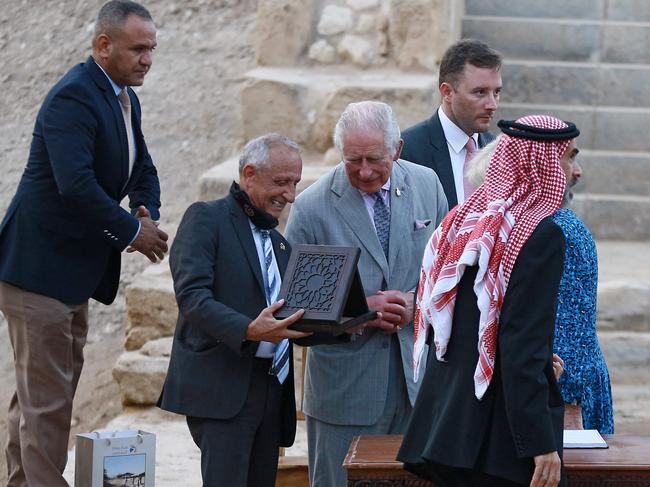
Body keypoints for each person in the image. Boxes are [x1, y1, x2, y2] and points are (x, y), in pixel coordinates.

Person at [0, 2, 167, 485]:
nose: (147, 59)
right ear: (103, 46)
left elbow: (144, 169)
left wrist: (145, 211)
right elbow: (74, 185)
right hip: (38, 273)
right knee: (47, 406)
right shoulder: (73, 97)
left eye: (151, 49)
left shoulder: (122, 97)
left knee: (39, 400)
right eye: (139, 48)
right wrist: (133, 233)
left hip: (70, 274)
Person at [398, 115, 582, 487]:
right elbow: (521, 345)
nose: (575, 171)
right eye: (568, 157)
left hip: (449, 431)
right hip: (497, 443)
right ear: (540, 161)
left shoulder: (463, 219)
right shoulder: (539, 235)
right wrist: (540, 443)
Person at [157, 134, 347, 487]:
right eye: (280, 182)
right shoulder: (206, 219)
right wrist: (248, 329)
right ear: (248, 174)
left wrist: (357, 321)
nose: (289, 195)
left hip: (271, 392)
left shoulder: (279, 241)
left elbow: (299, 320)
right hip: (223, 389)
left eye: (294, 183)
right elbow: (193, 299)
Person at [284, 100, 448, 487]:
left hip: (418, 384)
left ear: (398, 150)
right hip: (346, 391)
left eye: (375, 159)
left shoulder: (428, 185)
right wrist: (363, 309)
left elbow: (449, 272)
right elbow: (293, 308)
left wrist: (417, 304)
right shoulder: (311, 208)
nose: (364, 171)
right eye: (352, 160)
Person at [467, 132, 614, 433]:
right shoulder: (529, 226)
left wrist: (569, 406)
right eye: (569, 159)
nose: (577, 171)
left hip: (552, 395)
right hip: (529, 392)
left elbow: (575, 329)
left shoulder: (562, 230)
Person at [400, 38, 502, 208]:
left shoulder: (498, 150)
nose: (492, 104)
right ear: (447, 92)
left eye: (496, 92)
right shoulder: (408, 150)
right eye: (480, 92)